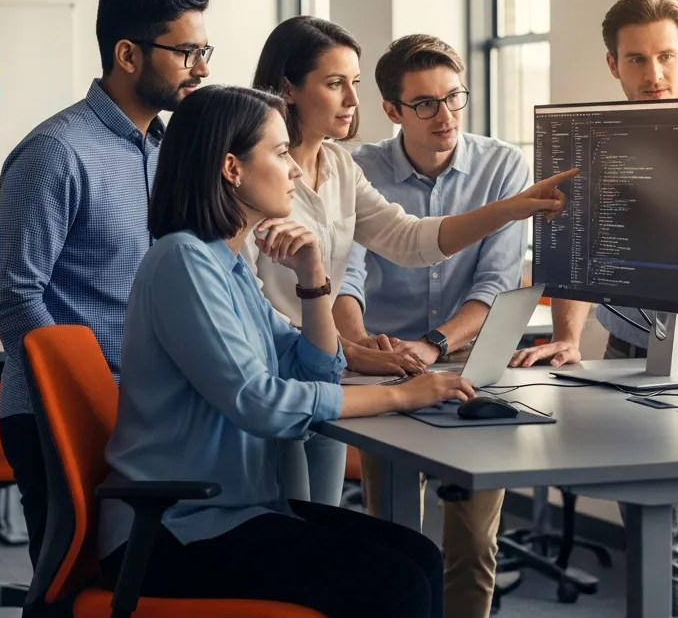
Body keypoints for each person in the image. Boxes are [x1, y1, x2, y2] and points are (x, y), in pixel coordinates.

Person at [99, 84, 477, 618]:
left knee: (418, 557)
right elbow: (262, 403)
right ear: (232, 168)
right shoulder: (183, 261)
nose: (296, 170)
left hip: (235, 511)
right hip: (172, 529)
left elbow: (316, 371)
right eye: (280, 153)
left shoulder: (229, 265)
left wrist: (314, 278)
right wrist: (401, 397)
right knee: (397, 585)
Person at [246, 16, 577, 506]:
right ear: (287, 89)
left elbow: (407, 239)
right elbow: (246, 295)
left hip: (329, 369)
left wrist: (513, 206)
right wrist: (352, 348)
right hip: (277, 372)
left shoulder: (339, 164)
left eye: (353, 84)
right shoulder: (256, 169)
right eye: (336, 84)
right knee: (289, 530)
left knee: (323, 519)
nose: (352, 101)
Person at [509, 0, 678, 615]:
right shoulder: (588, 146)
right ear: (612, 66)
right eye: (637, 61)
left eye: (666, 57)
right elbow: (569, 258)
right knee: (655, 538)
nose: (654, 75)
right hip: (630, 355)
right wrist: (567, 337)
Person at [0, 0, 212, 568]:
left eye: (204, 50)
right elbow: (11, 299)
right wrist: (93, 393)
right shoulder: (57, 152)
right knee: (70, 585)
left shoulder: (170, 150)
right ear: (128, 54)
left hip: (148, 412)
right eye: (186, 52)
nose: (202, 68)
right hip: (63, 416)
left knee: (133, 588)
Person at [337, 34, 528, 618]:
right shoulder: (356, 168)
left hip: (469, 364)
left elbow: (494, 286)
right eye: (424, 104)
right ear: (393, 111)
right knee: (393, 535)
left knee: (472, 543)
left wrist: (435, 344)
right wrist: (363, 346)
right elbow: (345, 275)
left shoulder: (502, 166)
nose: (443, 116)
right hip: (385, 373)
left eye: (452, 98)